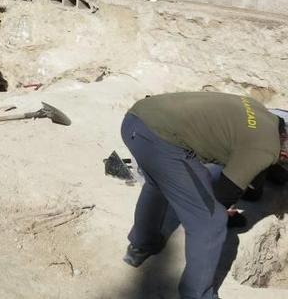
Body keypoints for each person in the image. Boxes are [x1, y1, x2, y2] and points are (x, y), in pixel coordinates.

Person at [120, 92, 288, 299]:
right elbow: (224, 193)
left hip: (138, 120)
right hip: (162, 141)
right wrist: (223, 211)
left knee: (159, 184)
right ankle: (197, 295)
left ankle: (141, 244)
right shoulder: (264, 148)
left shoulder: (261, 113)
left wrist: (253, 191)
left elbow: (252, 164)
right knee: (211, 223)